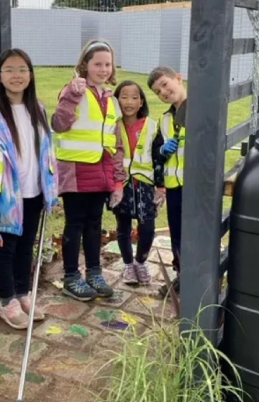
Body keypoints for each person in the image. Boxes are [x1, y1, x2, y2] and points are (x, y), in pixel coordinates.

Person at [0, 48, 58, 329]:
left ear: (31, 74)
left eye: (22, 69)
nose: (16, 75)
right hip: (7, 196)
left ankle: (23, 293)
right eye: (9, 69)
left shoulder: (38, 108)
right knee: (5, 249)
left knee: (26, 247)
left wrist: (50, 188)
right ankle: (7, 301)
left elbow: (47, 152)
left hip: (33, 191)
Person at [51, 39, 125, 302]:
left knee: (95, 225)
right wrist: (72, 95)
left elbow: (115, 143)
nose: (103, 69)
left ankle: (94, 273)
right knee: (75, 224)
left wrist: (118, 181)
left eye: (108, 64)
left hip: (101, 173)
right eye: (97, 64)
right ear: (85, 65)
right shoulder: (73, 91)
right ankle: (71, 276)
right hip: (76, 171)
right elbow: (59, 124)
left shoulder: (110, 99)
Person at [110, 80, 166, 285]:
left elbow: (159, 157)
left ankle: (141, 262)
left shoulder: (151, 126)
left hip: (145, 185)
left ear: (141, 101)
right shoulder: (112, 125)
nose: (129, 102)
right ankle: (128, 266)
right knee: (123, 227)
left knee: (148, 226)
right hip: (121, 185)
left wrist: (160, 186)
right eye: (123, 96)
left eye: (134, 97)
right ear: (116, 100)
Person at [147, 66, 188, 297]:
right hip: (174, 187)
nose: (163, 91)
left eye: (165, 84)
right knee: (178, 233)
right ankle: (181, 274)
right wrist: (162, 150)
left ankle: (197, 275)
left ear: (178, 78)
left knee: (197, 232)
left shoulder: (200, 109)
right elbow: (157, 153)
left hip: (196, 186)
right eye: (157, 91)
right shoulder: (164, 119)